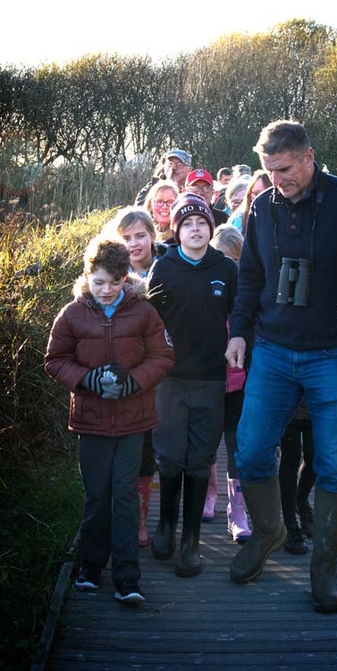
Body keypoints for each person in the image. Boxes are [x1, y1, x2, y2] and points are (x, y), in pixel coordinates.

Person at [225, 119, 337, 613]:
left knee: (335, 466)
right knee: (252, 448)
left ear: (308, 156)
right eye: (268, 170)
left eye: (284, 169)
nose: (276, 180)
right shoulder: (261, 208)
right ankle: (268, 532)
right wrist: (239, 331)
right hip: (274, 351)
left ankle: (324, 568)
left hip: (334, 354)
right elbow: (249, 280)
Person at [44, 236, 174, 604]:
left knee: (125, 496)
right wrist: (87, 380)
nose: (106, 290)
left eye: (114, 283)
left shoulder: (144, 312)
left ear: (125, 279)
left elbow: (163, 357)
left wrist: (133, 382)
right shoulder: (72, 313)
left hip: (133, 421)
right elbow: (55, 360)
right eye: (99, 282)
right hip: (90, 422)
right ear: (88, 277)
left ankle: (127, 577)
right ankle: (90, 567)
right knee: (97, 496)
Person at [148, 193, 238, 577]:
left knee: (201, 460)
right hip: (170, 379)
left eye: (201, 222)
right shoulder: (163, 268)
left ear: (210, 228)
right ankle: (166, 525)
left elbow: (240, 317)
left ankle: (191, 542)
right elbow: (147, 321)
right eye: (187, 224)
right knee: (169, 456)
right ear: (177, 230)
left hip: (210, 379)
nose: (195, 229)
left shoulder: (226, 269)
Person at [103, 207, 166, 547]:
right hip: (126, 372)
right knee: (134, 444)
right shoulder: (109, 273)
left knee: (160, 444)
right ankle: (134, 516)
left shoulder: (169, 267)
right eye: (125, 238)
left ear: (153, 235)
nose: (133, 243)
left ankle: (155, 515)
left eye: (140, 235)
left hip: (164, 369)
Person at [208, 224, 252, 542]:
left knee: (236, 447)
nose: (228, 266)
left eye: (234, 259)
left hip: (241, 383)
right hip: (208, 381)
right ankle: (207, 496)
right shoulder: (206, 292)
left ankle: (237, 510)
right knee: (206, 446)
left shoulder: (249, 297)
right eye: (222, 258)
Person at [279, 399, 315, 555]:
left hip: (315, 399)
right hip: (287, 400)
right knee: (289, 458)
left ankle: (301, 500)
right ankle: (290, 525)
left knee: (315, 457)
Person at [229, 169, 272, 235]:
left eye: (265, 193)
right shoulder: (239, 220)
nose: (260, 198)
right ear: (249, 194)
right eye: (256, 193)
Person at [142, 180, 179, 244]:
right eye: (159, 201)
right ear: (150, 205)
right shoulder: (141, 232)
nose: (164, 206)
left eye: (170, 202)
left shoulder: (181, 236)